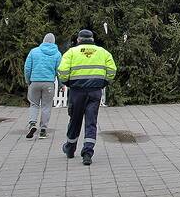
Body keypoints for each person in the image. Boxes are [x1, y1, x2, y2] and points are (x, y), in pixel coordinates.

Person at [58, 29, 116, 166]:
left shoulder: (71, 52)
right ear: (92, 40)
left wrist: (67, 82)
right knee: (91, 122)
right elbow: (112, 70)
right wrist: (104, 82)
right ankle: (88, 153)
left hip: (77, 92)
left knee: (75, 120)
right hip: (95, 92)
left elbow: (63, 71)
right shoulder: (103, 52)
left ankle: (70, 149)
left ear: (78, 40)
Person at [24, 33, 61, 139]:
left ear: (43, 40)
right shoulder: (57, 54)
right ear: (54, 42)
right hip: (49, 83)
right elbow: (59, 71)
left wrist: (28, 81)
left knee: (34, 104)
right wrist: (61, 84)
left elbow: (27, 68)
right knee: (46, 106)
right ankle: (43, 130)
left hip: (34, 82)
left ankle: (32, 124)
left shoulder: (34, 51)